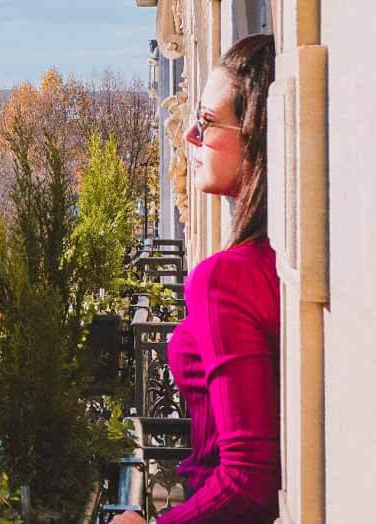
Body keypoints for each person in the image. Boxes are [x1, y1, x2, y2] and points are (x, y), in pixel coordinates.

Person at [116, 33, 280, 523]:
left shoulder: (225, 280)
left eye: (206, 121)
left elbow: (247, 480)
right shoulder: (271, 262)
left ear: (254, 132)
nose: (189, 135)